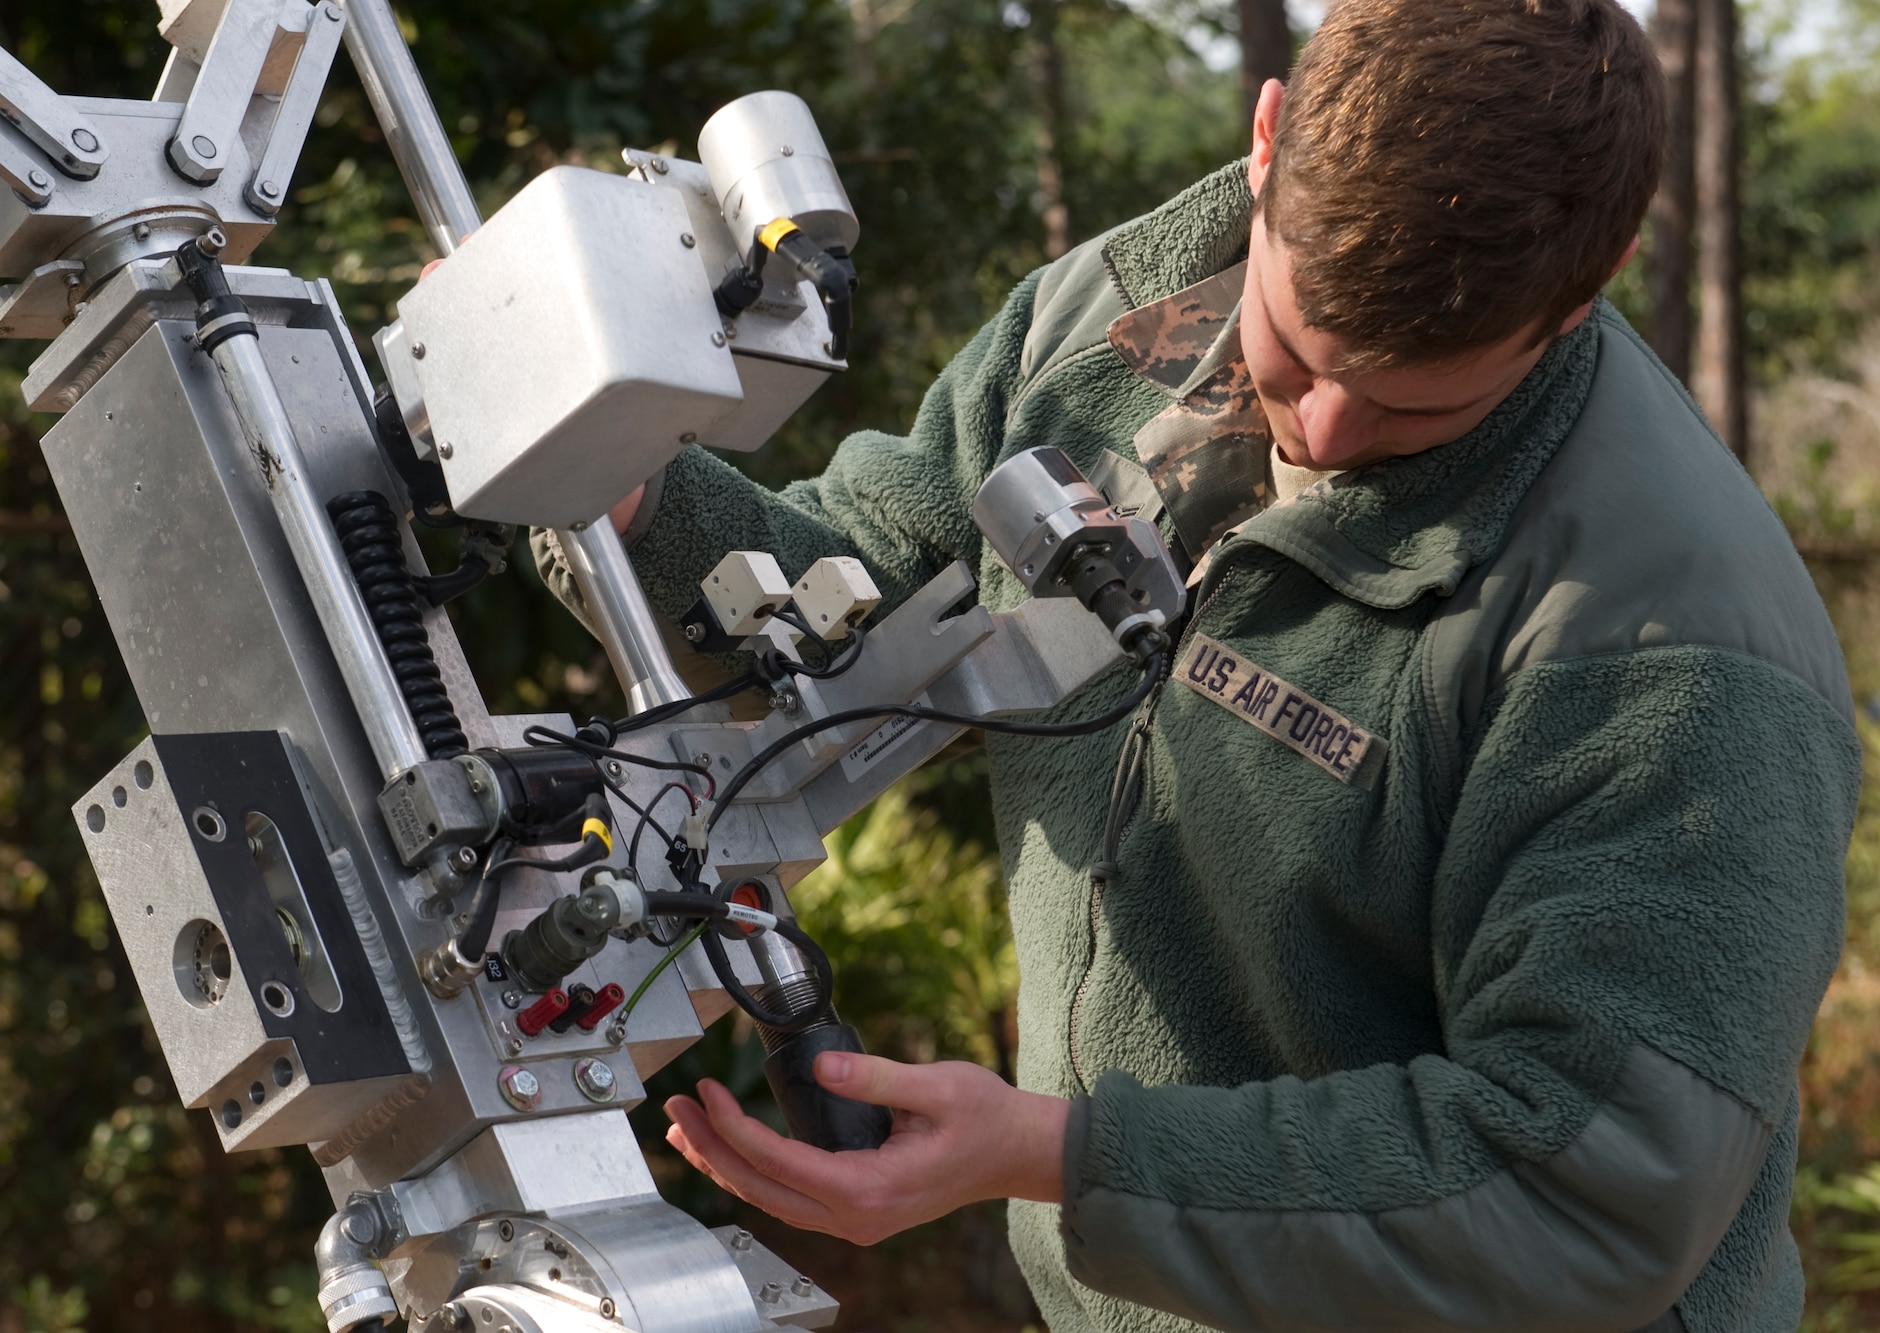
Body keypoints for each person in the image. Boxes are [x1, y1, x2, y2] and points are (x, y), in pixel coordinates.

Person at [533, 1, 1860, 1327]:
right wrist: (621, 479)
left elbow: (1580, 1188)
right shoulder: (1117, 317)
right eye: (1296, 346)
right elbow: (865, 580)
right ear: (1270, 137)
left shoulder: (1669, 645)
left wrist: (1064, 1156)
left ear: (1596, 279)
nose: (1328, 428)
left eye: (1417, 401)